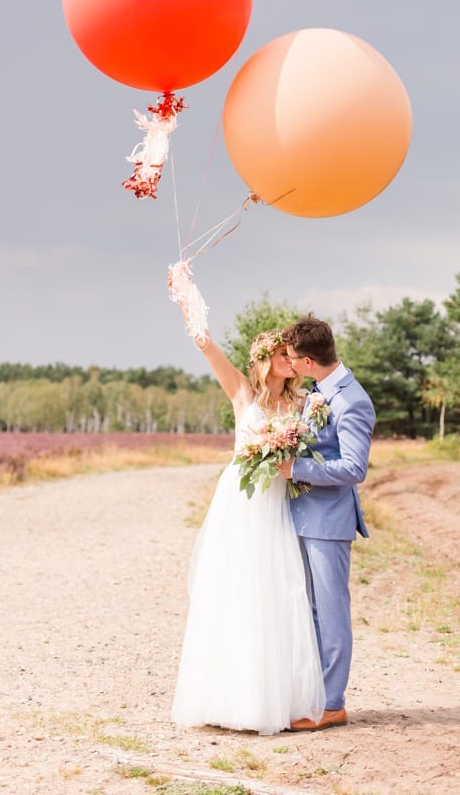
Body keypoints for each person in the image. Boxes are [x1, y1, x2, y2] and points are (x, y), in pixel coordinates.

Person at [169, 302, 326, 734]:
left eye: (292, 356)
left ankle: (273, 700)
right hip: (241, 504)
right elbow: (205, 346)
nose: (289, 360)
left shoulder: (303, 402)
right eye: (282, 354)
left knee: (279, 590)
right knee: (235, 589)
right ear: (265, 358)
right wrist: (186, 296)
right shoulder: (242, 392)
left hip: (277, 502)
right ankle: (227, 697)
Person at [278, 316, 376, 732]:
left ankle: (331, 704)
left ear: (309, 360)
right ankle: (310, 695)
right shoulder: (319, 390)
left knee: (330, 612)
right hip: (301, 516)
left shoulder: (352, 401)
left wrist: (292, 466)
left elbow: (354, 468)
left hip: (328, 522)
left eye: (293, 359)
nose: (290, 365)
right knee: (307, 609)